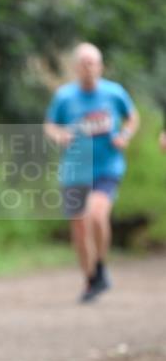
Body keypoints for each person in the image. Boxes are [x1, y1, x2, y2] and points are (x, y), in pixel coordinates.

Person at [44, 42, 139, 303]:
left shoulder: (114, 93)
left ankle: (100, 265)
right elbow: (50, 125)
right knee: (79, 226)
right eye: (84, 63)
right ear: (76, 67)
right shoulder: (64, 96)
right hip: (75, 168)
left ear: (101, 66)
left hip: (107, 166)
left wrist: (125, 135)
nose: (89, 67)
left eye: (93, 62)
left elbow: (132, 117)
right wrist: (60, 135)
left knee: (96, 215)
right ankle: (91, 279)